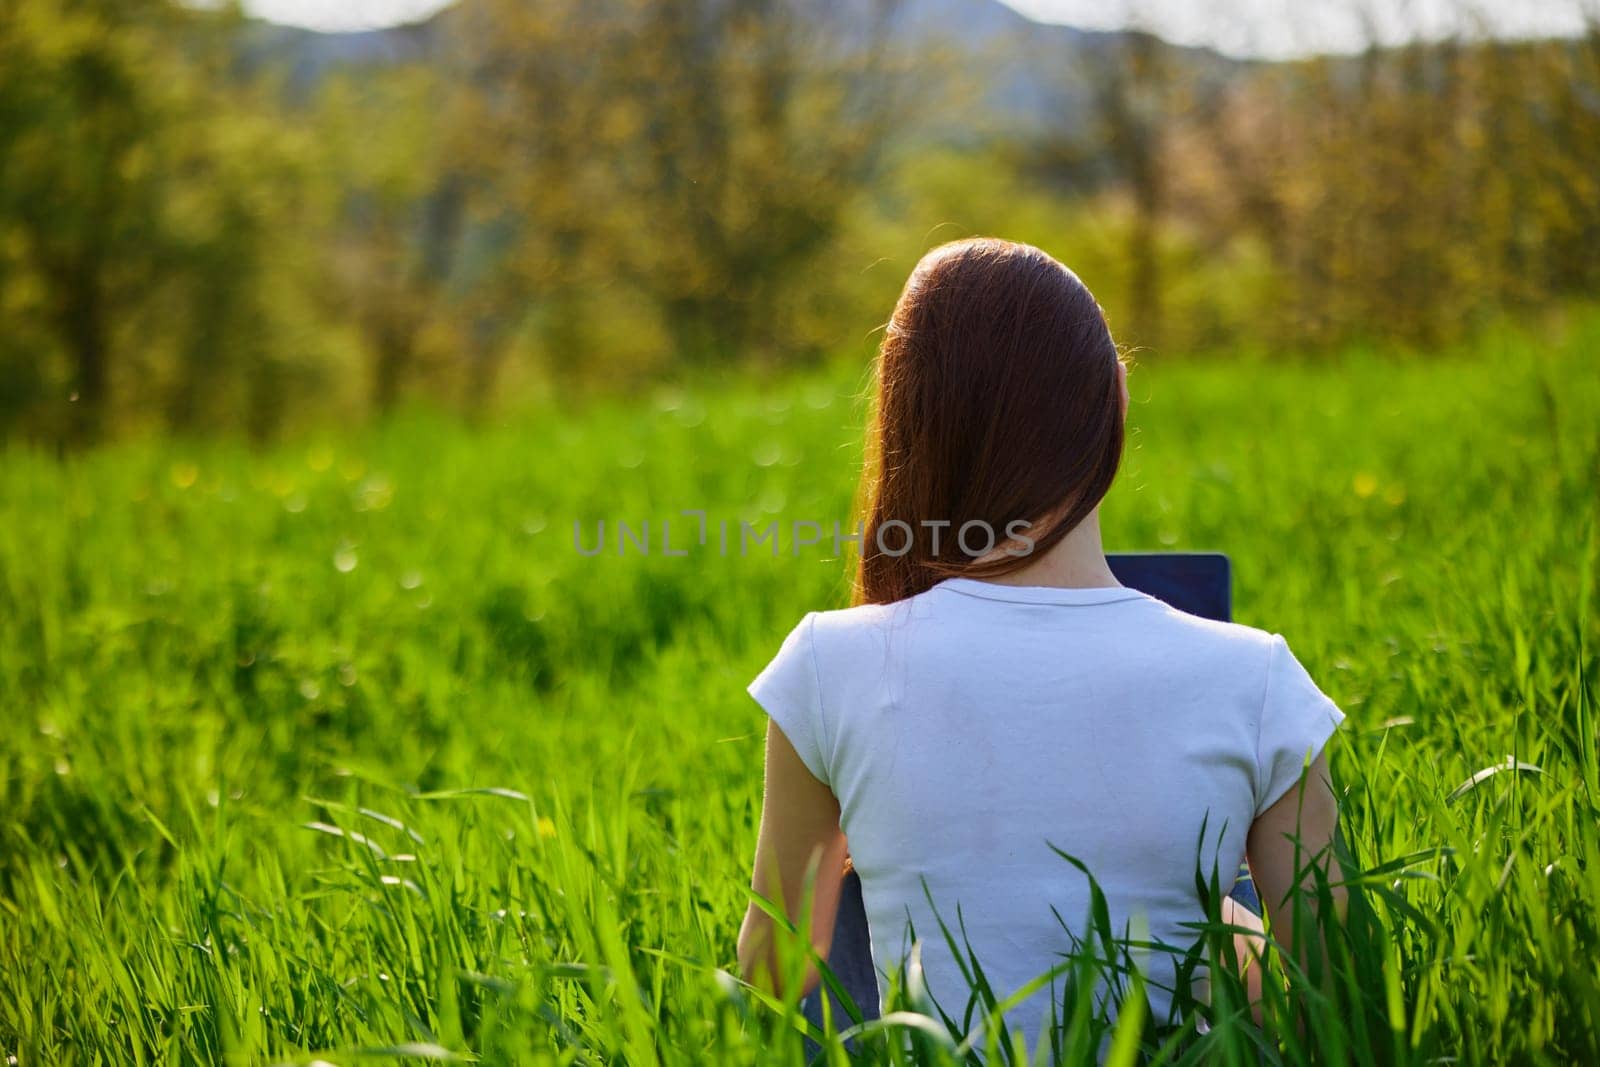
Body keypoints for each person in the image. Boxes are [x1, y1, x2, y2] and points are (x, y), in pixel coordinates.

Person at [735, 237, 1345, 1049]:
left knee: (847, 881)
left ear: (905, 425)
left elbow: (773, 975)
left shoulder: (829, 664)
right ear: (1115, 405)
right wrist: (1216, 914)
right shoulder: (1256, 680)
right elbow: (1329, 1009)